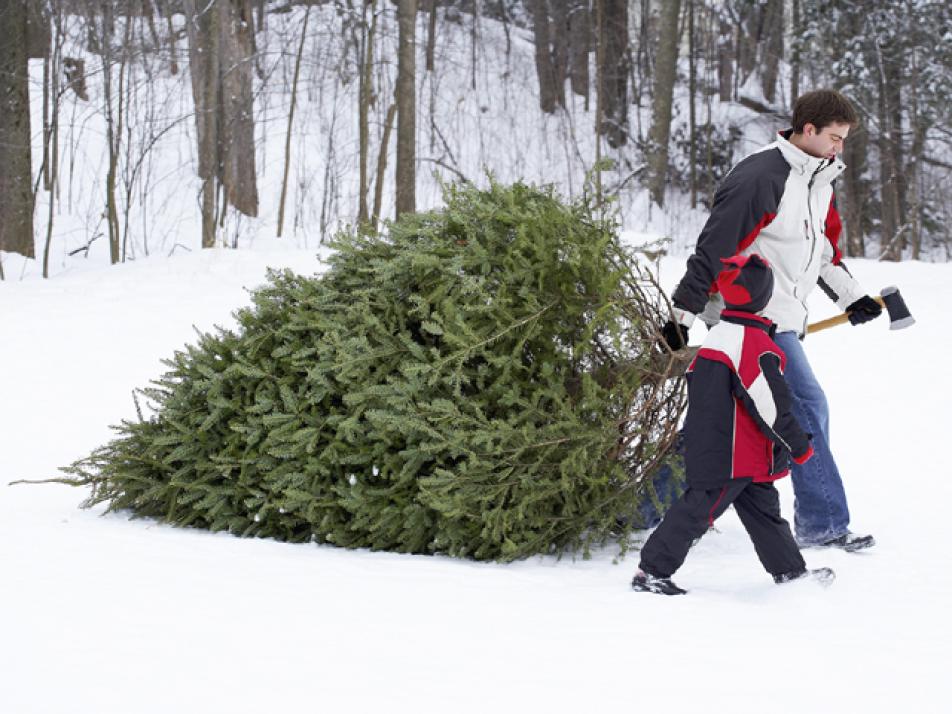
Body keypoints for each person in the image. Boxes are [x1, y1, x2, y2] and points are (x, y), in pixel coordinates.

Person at [661, 89, 880, 552]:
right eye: (835, 138)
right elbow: (714, 246)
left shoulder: (817, 180)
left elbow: (816, 250)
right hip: (748, 316)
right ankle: (823, 523)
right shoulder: (762, 176)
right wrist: (681, 313)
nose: (840, 148)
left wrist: (852, 297)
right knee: (804, 407)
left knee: (724, 418)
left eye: (844, 140)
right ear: (808, 130)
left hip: (777, 314)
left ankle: (645, 505)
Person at [632, 254, 832, 595]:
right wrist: (798, 445)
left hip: (736, 453)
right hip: (731, 456)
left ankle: (790, 572)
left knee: (765, 515)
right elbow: (770, 407)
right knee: (697, 512)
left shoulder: (719, 336)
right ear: (765, 298)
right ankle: (651, 571)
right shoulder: (754, 346)